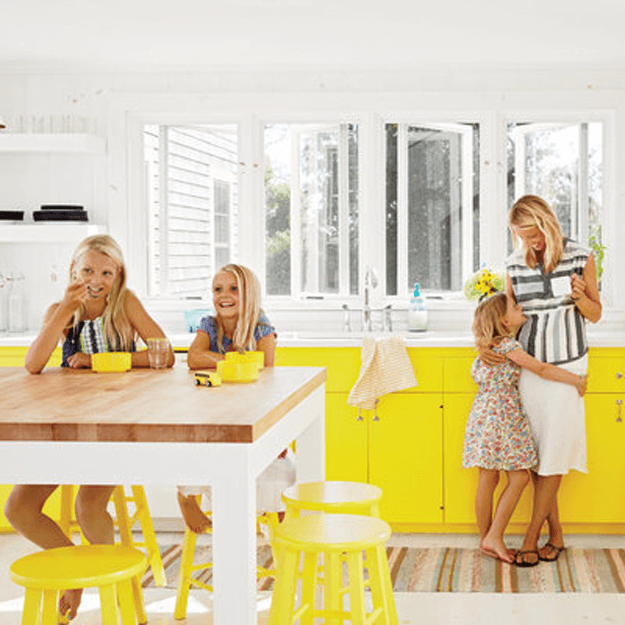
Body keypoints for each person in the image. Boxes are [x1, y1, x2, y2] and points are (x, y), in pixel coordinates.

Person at [5, 234, 174, 620]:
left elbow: (163, 353)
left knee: (88, 503)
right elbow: (33, 364)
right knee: (19, 507)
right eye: (87, 270)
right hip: (65, 424)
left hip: (114, 424)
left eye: (106, 271)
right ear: (73, 272)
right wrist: (65, 309)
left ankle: (116, 595)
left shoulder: (125, 304)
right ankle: (76, 572)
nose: (96, 278)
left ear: (118, 276)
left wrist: (110, 361)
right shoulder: (62, 310)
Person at [483, 195, 602, 567]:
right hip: (529, 369)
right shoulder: (513, 264)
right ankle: (558, 533)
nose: (531, 243)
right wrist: (484, 343)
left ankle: (533, 536)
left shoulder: (580, 256)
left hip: (568, 368)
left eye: (535, 234)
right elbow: (505, 314)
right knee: (535, 455)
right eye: (523, 236)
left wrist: (581, 298)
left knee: (554, 456)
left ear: (548, 224)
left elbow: (595, 314)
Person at [463, 291, 587, 563]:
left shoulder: (488, 347)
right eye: (515, 308)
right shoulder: (508, 347)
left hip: (483, 416)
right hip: (503, 416)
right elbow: (541, 369)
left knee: (488, 478)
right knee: (518, 477)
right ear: (504, 322)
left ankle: (486, 539)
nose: (521, 309)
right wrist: (576, 379)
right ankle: (494, 537)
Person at [178, 263, 295, 533]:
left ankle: (261, 513)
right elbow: (193, 358)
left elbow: (265, 370)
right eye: (217, 289)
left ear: (249, 294)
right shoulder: (209, 325)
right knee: (198, 452)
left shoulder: (261, 327)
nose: (224, 295)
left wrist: (218, 362)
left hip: (253, 410)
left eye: (234, 289)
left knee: (275, 471)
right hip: (215, 410)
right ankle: (186, 497)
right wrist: (231, 360)